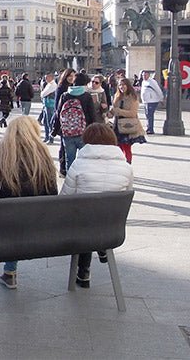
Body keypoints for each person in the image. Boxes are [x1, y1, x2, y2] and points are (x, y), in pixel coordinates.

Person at [0, 116, 58, 289]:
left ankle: (10, 272)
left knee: (13, 221)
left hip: (9, 218)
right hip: (39, 218)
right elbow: (52, 190)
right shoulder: (42, 151)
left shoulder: (3, 150)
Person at [60, 123, 133, 288]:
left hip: (83, 226)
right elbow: (127, 195)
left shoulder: (78, 165)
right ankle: (102, 247)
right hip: (112, 228)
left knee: (84, 222)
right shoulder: (126, 168)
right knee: (94, 221)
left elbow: (64, 198)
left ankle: (84, 271)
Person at [54, 73, 97, 170]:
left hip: (67, 132)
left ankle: (70, 180)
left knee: (70, 159)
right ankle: (83, 180)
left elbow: (58, 113)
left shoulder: (65, 95)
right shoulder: (86, 96)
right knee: (85, 159)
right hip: (83, 132)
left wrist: (55, 130)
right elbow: (92, 114)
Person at [110, 77, 146, 164]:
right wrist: (109, 113)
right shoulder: (117, 96)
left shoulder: (133, 98)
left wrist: (119, 111)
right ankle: (120, 166)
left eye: (123, 85)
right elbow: (114, 110)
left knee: (126, 148)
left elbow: (133, 113)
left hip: (127, 126)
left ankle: (128, 166)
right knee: (118, 148)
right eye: (120, 85)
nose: (121, 87)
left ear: (128, 86)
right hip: (117, 125)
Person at [55, 68, 77, 177]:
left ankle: (69, 168)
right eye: (69, 76)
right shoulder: (61, 88)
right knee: (63, 146)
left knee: (69, 146)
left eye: (73, 76)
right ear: (65, 76)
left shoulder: (75, 88)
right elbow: (57, 107)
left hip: (74, 121)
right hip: (64, 121)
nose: (71, 78)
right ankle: (62, 169)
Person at [39, 73, 57, 143]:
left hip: (50, 104)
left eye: (47, 78)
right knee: (45, 121)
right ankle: (47, 137)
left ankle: (50, 138)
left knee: (49, 122)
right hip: (46, 104)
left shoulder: (53, 85)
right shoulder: (49, 84)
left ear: (51, 78)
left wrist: (42, 94)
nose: (45, 79)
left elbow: (44, 93)